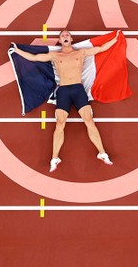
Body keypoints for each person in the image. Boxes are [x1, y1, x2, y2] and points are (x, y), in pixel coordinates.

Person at [11, 30, 121, 173]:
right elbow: (34, 58)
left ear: (71, 38)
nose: (65, 37)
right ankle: (55, 158)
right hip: (63, 91)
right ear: (60, 40)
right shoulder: (55, 55)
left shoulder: (81, 53)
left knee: (89, 120)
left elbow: (101, 49)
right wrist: (17, 50)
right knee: (60, 124)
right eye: (62, 35)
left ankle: (102, 153)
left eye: (67, 35)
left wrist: (115, 39)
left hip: (78, 90)